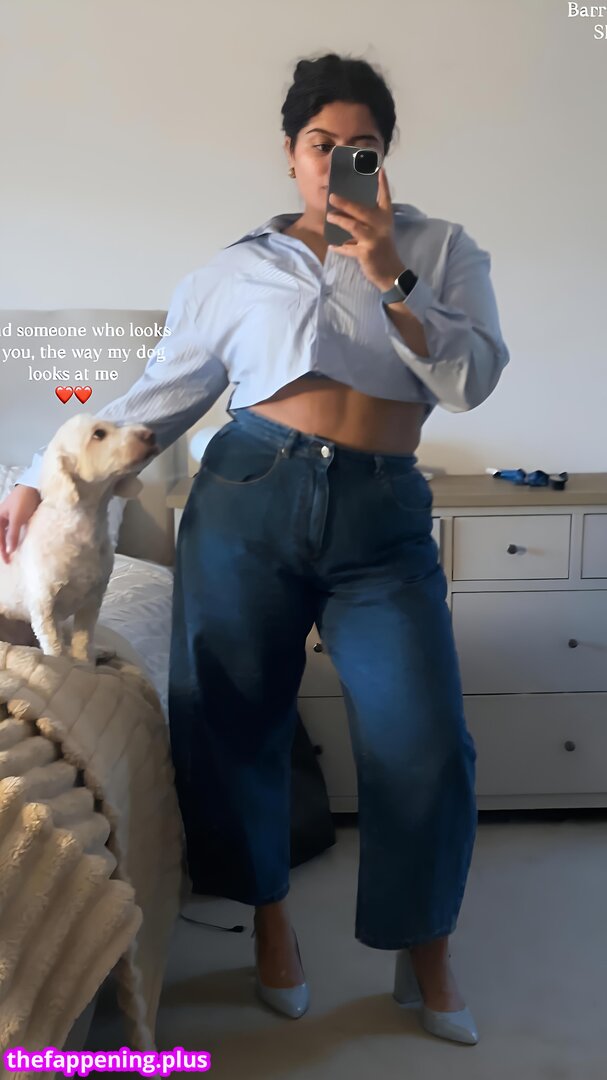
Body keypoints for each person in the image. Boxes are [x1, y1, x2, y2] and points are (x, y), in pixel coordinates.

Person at [0, 52, 510, 1045]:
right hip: (249, 493)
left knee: (423, 737)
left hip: (380, 512)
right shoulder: (232, 271)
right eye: (320, 144)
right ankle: (270, 922)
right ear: (289, 153)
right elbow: (160, 395)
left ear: (383, 156)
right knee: (233, 721)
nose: (337, 162)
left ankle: (426, 944)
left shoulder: (441, 251)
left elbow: (471, 379)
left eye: (360, 147)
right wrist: (35, 471)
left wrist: (389, 273)